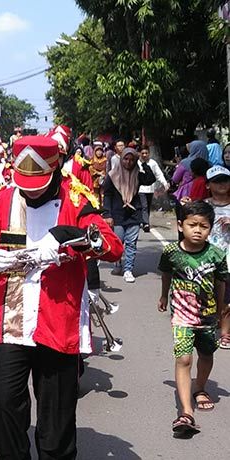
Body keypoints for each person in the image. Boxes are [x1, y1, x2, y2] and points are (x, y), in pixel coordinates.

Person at [0, 135, 122, 459]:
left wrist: (64, 236)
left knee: (56, 419)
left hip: (58, 324)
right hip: (11, 324)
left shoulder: (74, 199)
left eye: (38, 183)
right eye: (24, 183)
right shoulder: (2, 198)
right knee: (5, 405)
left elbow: (112, 246)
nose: (30, 190)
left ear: (55, 167)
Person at [157, 201, 227, 436]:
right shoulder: (171, 252)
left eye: (204, 226)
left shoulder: (217, 254)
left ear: (210, 229)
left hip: (207, 318)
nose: (198, 230)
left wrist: (220, 310)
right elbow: (166, 274)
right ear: (180, 225)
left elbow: (221, 283)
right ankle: (186, 412)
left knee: (206, 354)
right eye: (192, 225)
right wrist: (163, 296)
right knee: (184, 359)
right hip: (182, 317)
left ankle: (200, 387)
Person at [102, 147, 155, 283]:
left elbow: (150, 179)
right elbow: (107, 195)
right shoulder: (112, 175)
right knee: (118, 241)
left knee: (131, 243)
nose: (128, 162)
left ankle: (128, 269)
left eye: (132, 160)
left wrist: (143, 163)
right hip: (117, 214)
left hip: (134, 213)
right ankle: (118, 262)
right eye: (126, 159)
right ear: (121, 159)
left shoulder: (138, 174)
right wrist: (107, 214)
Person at [204, 166, 230, 350]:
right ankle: (210, 328)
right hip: (207, 259)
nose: (221, 184)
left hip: (229, 260)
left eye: (225, 180)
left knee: (227, 298)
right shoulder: (204, 206)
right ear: (208, 185)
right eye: (216, 181)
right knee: (209, 297)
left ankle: (225, 335)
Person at [138, 145, 170, 232]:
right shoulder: (137, 163)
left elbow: (159, 174)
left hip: (151, 189)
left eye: (146, 153)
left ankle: (144, 220)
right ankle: (146, 223)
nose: (144, 155)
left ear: (149, 153)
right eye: (143, 153)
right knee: (144, 206)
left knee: (147, 206)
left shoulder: (153, 163)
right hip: (140, 189)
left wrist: (164, 183)